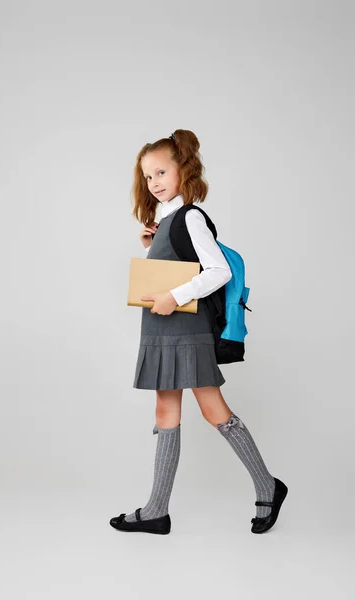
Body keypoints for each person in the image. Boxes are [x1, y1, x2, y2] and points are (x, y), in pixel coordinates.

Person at [110, 129, 288, 535]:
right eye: (148, 176)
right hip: (161, 331)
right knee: (165, 412)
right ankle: (156, 510)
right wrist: (150, 246)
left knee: (213, 411)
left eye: (161, 172)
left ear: (182, 169)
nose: (154, 183)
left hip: (185, 331)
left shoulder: (190, 216)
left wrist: (173, 296)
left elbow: (219, 272)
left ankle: (267, 486)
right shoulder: (169, 221)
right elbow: (176, 268)